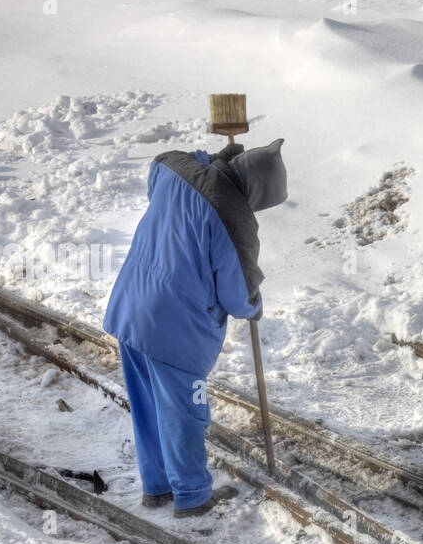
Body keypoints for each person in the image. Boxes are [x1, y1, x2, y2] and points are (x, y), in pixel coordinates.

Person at [104, 138, 287, 518]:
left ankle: (157, 487)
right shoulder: (233, 217)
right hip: (175, 328)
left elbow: (160, 164)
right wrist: (255, 304)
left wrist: (214, 163)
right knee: (184, 413)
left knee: (148, 405)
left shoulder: (176, 169)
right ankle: (192, 498)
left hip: (132, 305)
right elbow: (238, 294)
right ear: (254, 193)